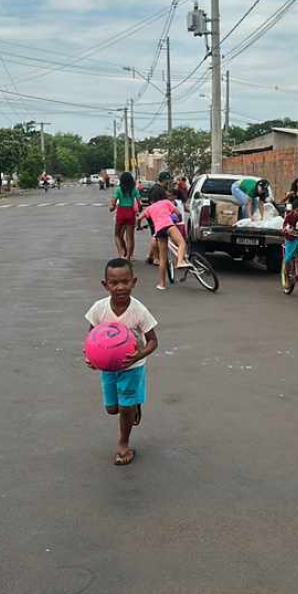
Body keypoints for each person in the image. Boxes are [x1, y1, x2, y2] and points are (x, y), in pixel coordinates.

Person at [85, 257, 158, 466]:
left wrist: (139, 355)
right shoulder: (99, 309)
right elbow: (91, 337)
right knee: (113, 409)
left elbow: (153, 341)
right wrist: (90, 357)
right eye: (114, 283)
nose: (120, 287)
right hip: (108, 368)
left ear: (134, 282)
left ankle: (123, 444)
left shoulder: (139, 311)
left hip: (132, 367)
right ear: (105, 284)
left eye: (125, 282)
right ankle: (133, 405)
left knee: (125, 409)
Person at [139, 182, 188, 290]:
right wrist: (178, 219)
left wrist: (139, 226)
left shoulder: (150, 208)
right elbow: (178, 213)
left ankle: (162, 284)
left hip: (159, 230)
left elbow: (139, 218)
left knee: (162, 258)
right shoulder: (166, 202)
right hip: (169, 225)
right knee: (181, 242)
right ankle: (180, 261)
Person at [110, 171, 140, 262]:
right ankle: (129, 256)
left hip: (121, 212)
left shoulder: (118, 189)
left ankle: (121, 254)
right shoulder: (134, 189)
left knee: (117, 235)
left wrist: (112, 207)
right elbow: (139, 202)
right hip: (130, 212)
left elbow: (113, 202)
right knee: (130, 237)